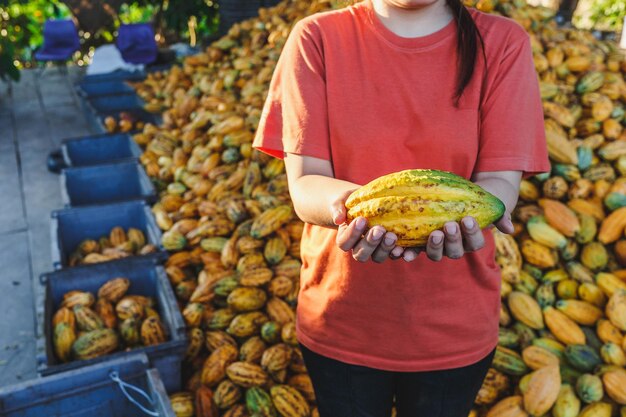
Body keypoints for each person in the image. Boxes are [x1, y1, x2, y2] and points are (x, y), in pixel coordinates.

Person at [252, 0, 551, 415]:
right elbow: (304, 183)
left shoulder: (502, 43)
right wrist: (353, 210)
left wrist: (469, 220)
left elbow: (498, 188)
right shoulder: (316, 37)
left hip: (453, 330)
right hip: (343, 322)